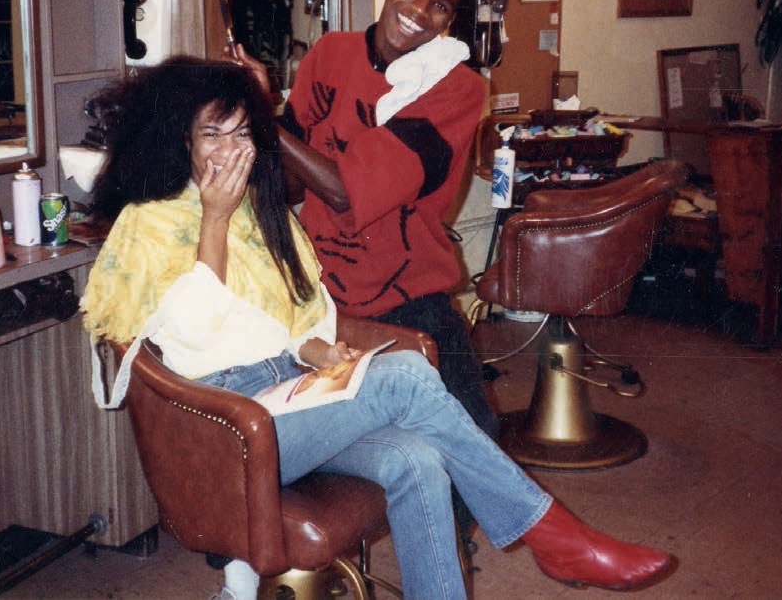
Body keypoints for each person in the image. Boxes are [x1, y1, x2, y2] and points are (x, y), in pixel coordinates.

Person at [82, 58, 674, 600]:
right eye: (212, 133)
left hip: (285, 396)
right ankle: (549, 533)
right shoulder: (148, 223)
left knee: (416, 458)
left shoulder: (257, 213)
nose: (231, 150)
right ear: (178, 138)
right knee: (408, 378)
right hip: (229, 424)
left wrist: (317, 351)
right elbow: (196, 329)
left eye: (241, 133)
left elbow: (290, 318)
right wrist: (212, 218)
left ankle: (528, 547)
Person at [230, 0, 498, 443]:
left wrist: (264, 119)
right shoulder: (330, 54)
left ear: (450, 20)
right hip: (318, 286)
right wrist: (257, 115)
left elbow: (345, 194)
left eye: (439, 5)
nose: (419, 10)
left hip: (407, 290)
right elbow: (291, 187)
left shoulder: (456, 89)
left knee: (470, 436)